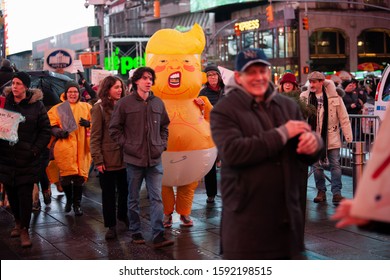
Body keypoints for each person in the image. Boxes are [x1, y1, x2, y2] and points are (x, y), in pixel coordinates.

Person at [210, 48, 323, 259]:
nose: (259, 77)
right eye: (251, 72)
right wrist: (282, 133)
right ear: (238, 77)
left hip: (287, 222)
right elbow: (233, 151)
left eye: (263, 70)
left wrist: (313, 144)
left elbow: (304, 148)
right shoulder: (224, 110)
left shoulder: (288, 106)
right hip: (247, 224)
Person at [109, 67, 173, 249]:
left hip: (154, 159)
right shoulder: (125, 103)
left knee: (156, 198)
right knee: (133, 198)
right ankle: (135, 231)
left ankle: (158, 234)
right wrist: (128, 145)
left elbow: (164, 126)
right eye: (145, 78)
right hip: (133, 160)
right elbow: (114, 129)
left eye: (151, 78)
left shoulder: (158, 103)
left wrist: (162, 144)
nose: (148, 81)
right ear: (136, 81)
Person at [0, 71, 51, 247]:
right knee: (12, 194)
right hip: (7, 157)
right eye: (13, 83)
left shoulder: (37, 106)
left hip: (28, 158)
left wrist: (35, 150)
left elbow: (46, 130)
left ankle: (24, 230)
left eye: (19, 83)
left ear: (26, 86)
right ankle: (17, 221)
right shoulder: (6, 103)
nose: (14, 86)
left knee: (24, 196)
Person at [301, 71, 353, 204]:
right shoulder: (304, 97)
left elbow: (344, 117)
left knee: (335, 165)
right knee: (316, 166)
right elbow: (300, 117)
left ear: (321, 82)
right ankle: (321, 191)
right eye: (310, 81)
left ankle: (336, 193)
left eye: (314, 82)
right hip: (313, 137)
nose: (311, 84)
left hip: (332, 136)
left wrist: (348, 137)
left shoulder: (335, 97)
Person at [90, 76, 128, 240]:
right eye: (115, 87)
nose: (119, 90)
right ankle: (111, 225)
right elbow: (95, 136)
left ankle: (123, 216)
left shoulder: (126, 105)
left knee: (126, 191)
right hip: (107, 159)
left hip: (126, 157)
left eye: (120, 87)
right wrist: (98, 160)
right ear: (107, 90)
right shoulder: (98, 108)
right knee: (108, 194)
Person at [47, 81, 92, 216]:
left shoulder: (87, 107)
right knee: (66, 178)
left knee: (79, 178)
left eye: (75, 91)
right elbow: (50, 125)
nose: (73, 94)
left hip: (82, 147)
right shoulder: (58, 108)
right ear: (66, 93)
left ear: (79, 93)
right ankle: (69, 199)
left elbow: (97, 122)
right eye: (70, 92)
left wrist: (89, 123)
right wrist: (58, 132)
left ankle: (77, 204)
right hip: (65, 148)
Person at [198, 64, 225, 203]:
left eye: (214, 74)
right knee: (210, 164)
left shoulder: (226, 91)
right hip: (209, 132)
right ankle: (211, 194)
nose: (212, 77)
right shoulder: (202, 93)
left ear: (219, 76)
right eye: (209, 75)